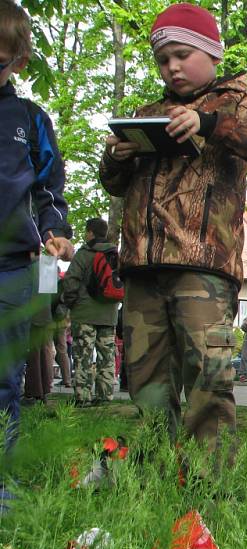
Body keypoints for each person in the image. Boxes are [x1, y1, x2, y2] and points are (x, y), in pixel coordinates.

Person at [98, 3, 247, 461]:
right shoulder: (148, 112)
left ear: (212, 52)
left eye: (183, 54)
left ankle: (211, 488)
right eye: (163, 59)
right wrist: (117, 158)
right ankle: (151, 481)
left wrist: (210, 123)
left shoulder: (238, 103)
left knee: (209, 378)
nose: (173, 66)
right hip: (143, 268)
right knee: (146, 382)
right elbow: (114, 186)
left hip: (204, 270)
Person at [0, 0, 73, 459]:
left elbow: (48, 187)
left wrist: (56, 229)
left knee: (5, 375)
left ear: (18, 62)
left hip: (12, 269)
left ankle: (2, 475)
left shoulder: (29, 118)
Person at [61, 218, 120, 407]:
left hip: (85, 313)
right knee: (107, 356)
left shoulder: (84, 254)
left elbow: (70, 281)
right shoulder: (115, 254)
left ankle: (83, 397)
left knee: (83, 357)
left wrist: (70, 303)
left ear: (90, 233)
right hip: (109, 314)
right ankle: (105, 396)